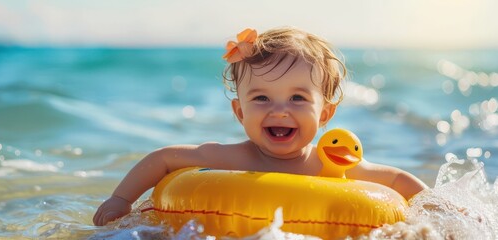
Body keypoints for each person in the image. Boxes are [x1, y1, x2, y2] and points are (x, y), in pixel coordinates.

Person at [93, 26, 428, 226]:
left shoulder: (331, 165)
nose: (279, 111)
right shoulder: (230, 159)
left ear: (325, 114)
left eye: (298, 98)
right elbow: (165, 158)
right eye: (261, 99)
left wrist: (436, 208)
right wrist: (120, 200)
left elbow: (396, 179)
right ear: (240, 112)